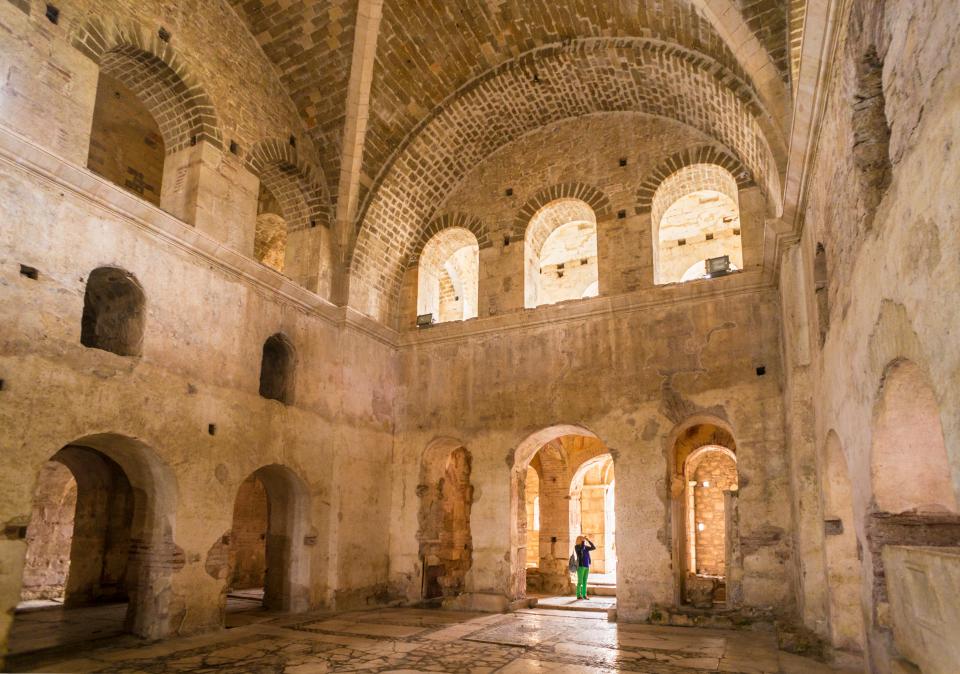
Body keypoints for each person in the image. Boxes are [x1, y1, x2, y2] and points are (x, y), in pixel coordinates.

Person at [573, 535, 596, 600]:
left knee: (585, 581)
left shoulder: (586, 547)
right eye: (582, 539)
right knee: (580, 581)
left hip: (586, 566)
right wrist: (583, 541)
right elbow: (581, 550)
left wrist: (588, 540)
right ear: (580, 540)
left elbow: (593, 547)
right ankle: (578, 595)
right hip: (580, 566)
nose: (584, 540)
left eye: (584, 540)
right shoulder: (577, 547)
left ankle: (584, 595)